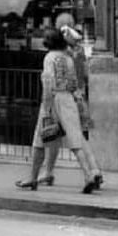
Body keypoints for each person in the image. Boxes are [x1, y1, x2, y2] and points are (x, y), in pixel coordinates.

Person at [15, 27, 101, 193]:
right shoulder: (67, 58)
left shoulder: (49, 58)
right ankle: (87, 174)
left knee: (39, 140)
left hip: (54, 99)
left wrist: (46, 108)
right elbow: (74, 82)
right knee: (76, 140)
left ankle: (33, 177)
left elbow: (48, 83)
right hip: (68, 98)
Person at [39, 15, 102, 187]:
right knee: (75, 136)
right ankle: (90, 170)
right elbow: (83, 75)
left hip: (59, 97)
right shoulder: (77, 51)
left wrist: (47, 105)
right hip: (76, 95)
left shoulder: (56, 56)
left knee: (57, 136)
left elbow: (49, 81)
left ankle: (50, 172)